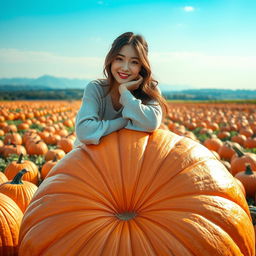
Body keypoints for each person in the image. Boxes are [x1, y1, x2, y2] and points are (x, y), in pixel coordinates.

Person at [74, 32, 168, 146]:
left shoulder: (150, 90)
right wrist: (126, 121)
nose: (125, 68)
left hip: (126, 158)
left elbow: (151, 123)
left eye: (134, 62)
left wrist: (124, 92)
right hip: (89, 158)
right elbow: (85, 132)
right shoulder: (95, 88)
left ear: (141, 66)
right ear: (111, 60)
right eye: (119, 59)